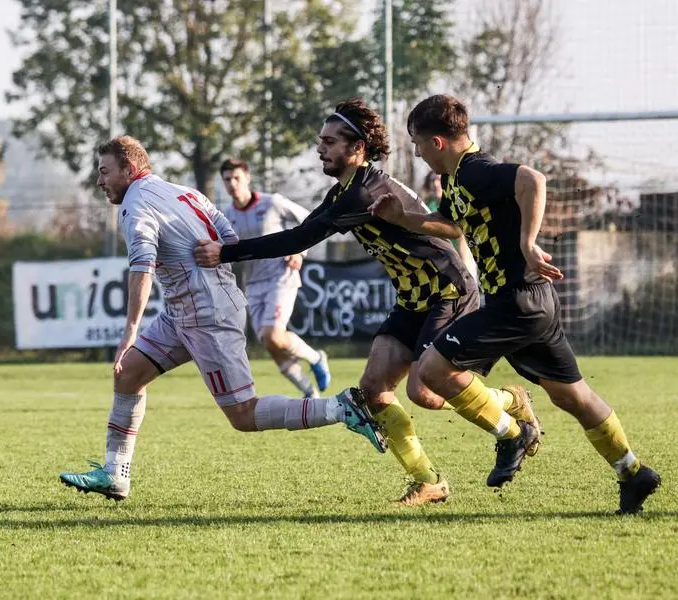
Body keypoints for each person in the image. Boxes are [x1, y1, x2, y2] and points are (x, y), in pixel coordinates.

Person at [194, 99, 540, 506]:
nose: (320, 149)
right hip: (413, 299)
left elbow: (299, 239)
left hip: (446, 288)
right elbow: (304, 230)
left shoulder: (363, 193)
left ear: (356, 147)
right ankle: (428, 481)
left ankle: (511, 411)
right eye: (320, 141)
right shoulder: (343, 190)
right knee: (373, 391)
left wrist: (225, 252)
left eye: (329, 141)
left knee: (423, 391)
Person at [369, 94, 660, 513]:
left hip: (516, 303)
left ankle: (512, 433)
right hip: (530, 303)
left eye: (415, 142)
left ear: (436, 141)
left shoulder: (475, 169)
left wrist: (527, 241)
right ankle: (633, 473)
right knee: (571, 396)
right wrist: (402, 218)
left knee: (433, 368)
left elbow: (532, 179)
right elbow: (452, 225)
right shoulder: (456, 179)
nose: (415, 151)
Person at [59, 136, 384, 502]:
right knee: (128, 373)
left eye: (104, 172)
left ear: (130, 170)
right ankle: (115, 474)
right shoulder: (184, 192)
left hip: (206, 316)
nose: (100, 181)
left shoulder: (134, 205)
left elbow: (142, 267)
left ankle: (341, 408)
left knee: (243, 415)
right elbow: (225, 233)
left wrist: (130, 331)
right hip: (185, 310)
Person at [220, 158, 330, 399]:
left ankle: (315, 357)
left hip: (281, 277)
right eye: (227, 179)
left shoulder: (272, 203)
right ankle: (309, 392)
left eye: (237, 177)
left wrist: (300, 251)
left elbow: (310, 220)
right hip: (254, 284)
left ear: (247, 177)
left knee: (273, 335)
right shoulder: (227, 216)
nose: (232, 184)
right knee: (271, 344)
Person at [423, 172, 478, 281]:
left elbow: (462, 237)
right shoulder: (429, 207)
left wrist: (463, 265)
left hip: (462, 257)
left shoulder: (457, 203)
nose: (435, 184)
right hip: (440, 262)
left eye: (439, 180)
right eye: (432, 181)